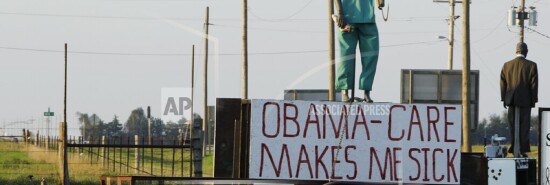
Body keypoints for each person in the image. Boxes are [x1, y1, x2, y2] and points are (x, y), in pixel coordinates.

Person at [334, 0, 383, 102]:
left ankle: (366, 91)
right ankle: (345, 90)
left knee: (371, 55)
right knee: (346, 56)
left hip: (367, 17)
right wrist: (340, 13)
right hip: (347, 18)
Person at [500, 42, 538, 157]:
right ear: (526, 51)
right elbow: (534, 85)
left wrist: (504, 99)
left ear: (516, 51)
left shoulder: (506, 65)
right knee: (524, 126)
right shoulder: (532, 65)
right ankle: (522, 150)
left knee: (512, 125)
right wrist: (533, 100)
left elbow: (503, 83)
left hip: (511, 100)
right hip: (526, 100)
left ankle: (513, 148)